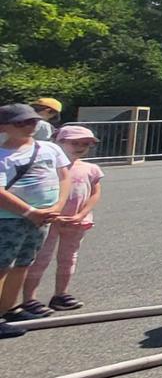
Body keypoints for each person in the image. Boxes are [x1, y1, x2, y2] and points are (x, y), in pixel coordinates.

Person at [0, 104, 72, 337]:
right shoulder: (3, 154)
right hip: (9, 217)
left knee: (23, 263)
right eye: (21, 123)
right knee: (2, 266)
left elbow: (64, 177)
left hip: (42, 216)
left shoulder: (49, 148)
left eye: (32, 121)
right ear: (4, 127)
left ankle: (9, 307)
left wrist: (58, 205)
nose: (30, 126)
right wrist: (30, 211)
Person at [20, 125, 103, 314]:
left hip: (76, 220)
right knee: (40, 259)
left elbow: (95, 192)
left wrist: (81, 214)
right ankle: (29, 299)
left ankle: (61, 294)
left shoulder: (91, 168)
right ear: (58, 143)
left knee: (68, 258)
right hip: (49, 220)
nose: (80, 147)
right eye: (74, 143)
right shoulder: (49, 167)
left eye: (85, 144)